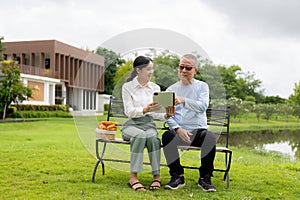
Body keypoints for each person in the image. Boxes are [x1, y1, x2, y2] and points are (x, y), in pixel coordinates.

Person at [162, 54, 217, 192]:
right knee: (167, 136)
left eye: (188, 68)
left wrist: (184, 100)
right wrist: (177, 129)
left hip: (198, 132)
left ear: (195, 70)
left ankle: (205, 177)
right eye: (181, 67)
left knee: (209, 136)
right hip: (180, 131)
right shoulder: (170, 89)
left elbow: (203, 106)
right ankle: (177, 176)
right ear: (178, 68)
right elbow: (169, 115)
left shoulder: (202, 87)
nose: (184, 70)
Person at [122, 55, 174, 191]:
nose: (151, 72)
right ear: (138, 70)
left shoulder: (155, 88)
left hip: (148, 125)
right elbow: (129, 111)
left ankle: (156, 177)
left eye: (152, 69)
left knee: (153, 138)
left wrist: (167, 114)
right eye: (148, 69)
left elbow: (157, 114)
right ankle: (133, 176)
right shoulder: (127, 87)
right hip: (132, 125)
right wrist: (145, 109)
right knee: (139, 135)